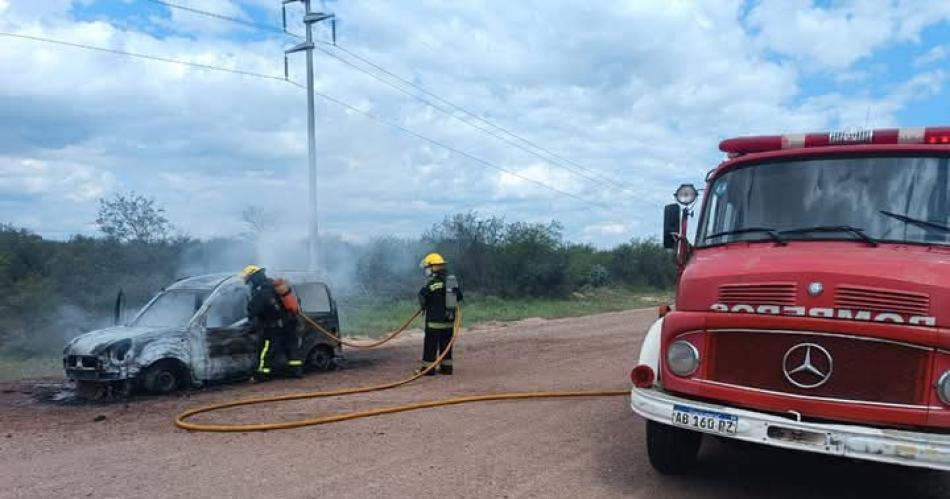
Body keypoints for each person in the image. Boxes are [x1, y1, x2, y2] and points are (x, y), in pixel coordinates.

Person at [240, 265, 303, 381]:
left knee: (265, 349)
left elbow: (254, 310)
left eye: (249, 280)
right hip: (290, 323)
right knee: (291, 348)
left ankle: (262, 374)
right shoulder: (274, 285)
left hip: (273, 328)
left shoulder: (261, 291)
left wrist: (250, 323)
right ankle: (296, 371)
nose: (249, 284)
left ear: (254, 278)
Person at [416, 253, 462, 375]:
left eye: (427, 268)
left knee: (430, 346)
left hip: (433, 323)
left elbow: (421, 296)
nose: (426, 271)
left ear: (433, 267)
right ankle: (446, 368)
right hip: (448, 322)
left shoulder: (431, 283)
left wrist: (424, 306)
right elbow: (459, 296)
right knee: (446, 345)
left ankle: (428, 369)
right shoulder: (451, 281)